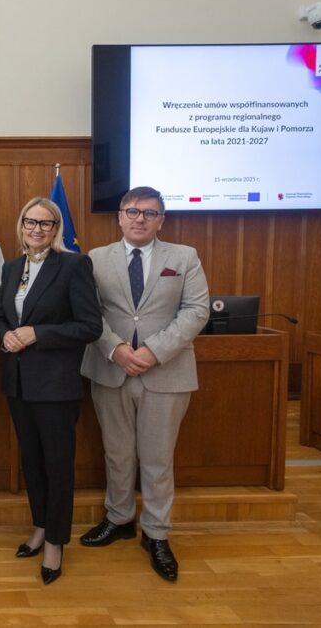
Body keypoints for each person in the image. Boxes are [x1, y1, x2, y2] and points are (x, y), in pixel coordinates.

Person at [79, 186, 209, 582]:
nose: (140, 219)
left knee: (157, 459)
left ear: (161, 220)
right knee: (117, 453)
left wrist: (153, 351)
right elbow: (88, 312)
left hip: (165, 372)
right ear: (119, 216)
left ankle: (156, 534)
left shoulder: (184, 257)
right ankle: (119, 519)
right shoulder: (95, 259)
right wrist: (116, 348)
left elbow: (197, 310)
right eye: (132, 211)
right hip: (110, 369)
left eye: (149, 213)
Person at [0, 197, 102, 585]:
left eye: (45, 223)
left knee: (57, 466)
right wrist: (6, 335)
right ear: (21, 226)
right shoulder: (11, 268)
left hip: (56, 387)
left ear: (56, 230)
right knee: (32, 463)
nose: (36, 230)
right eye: (30, 222)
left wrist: (38, 333)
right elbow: (0, 316)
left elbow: (90, 327)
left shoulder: (73, 265)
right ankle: (39, 526)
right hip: (18, 384)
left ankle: (56, 542)